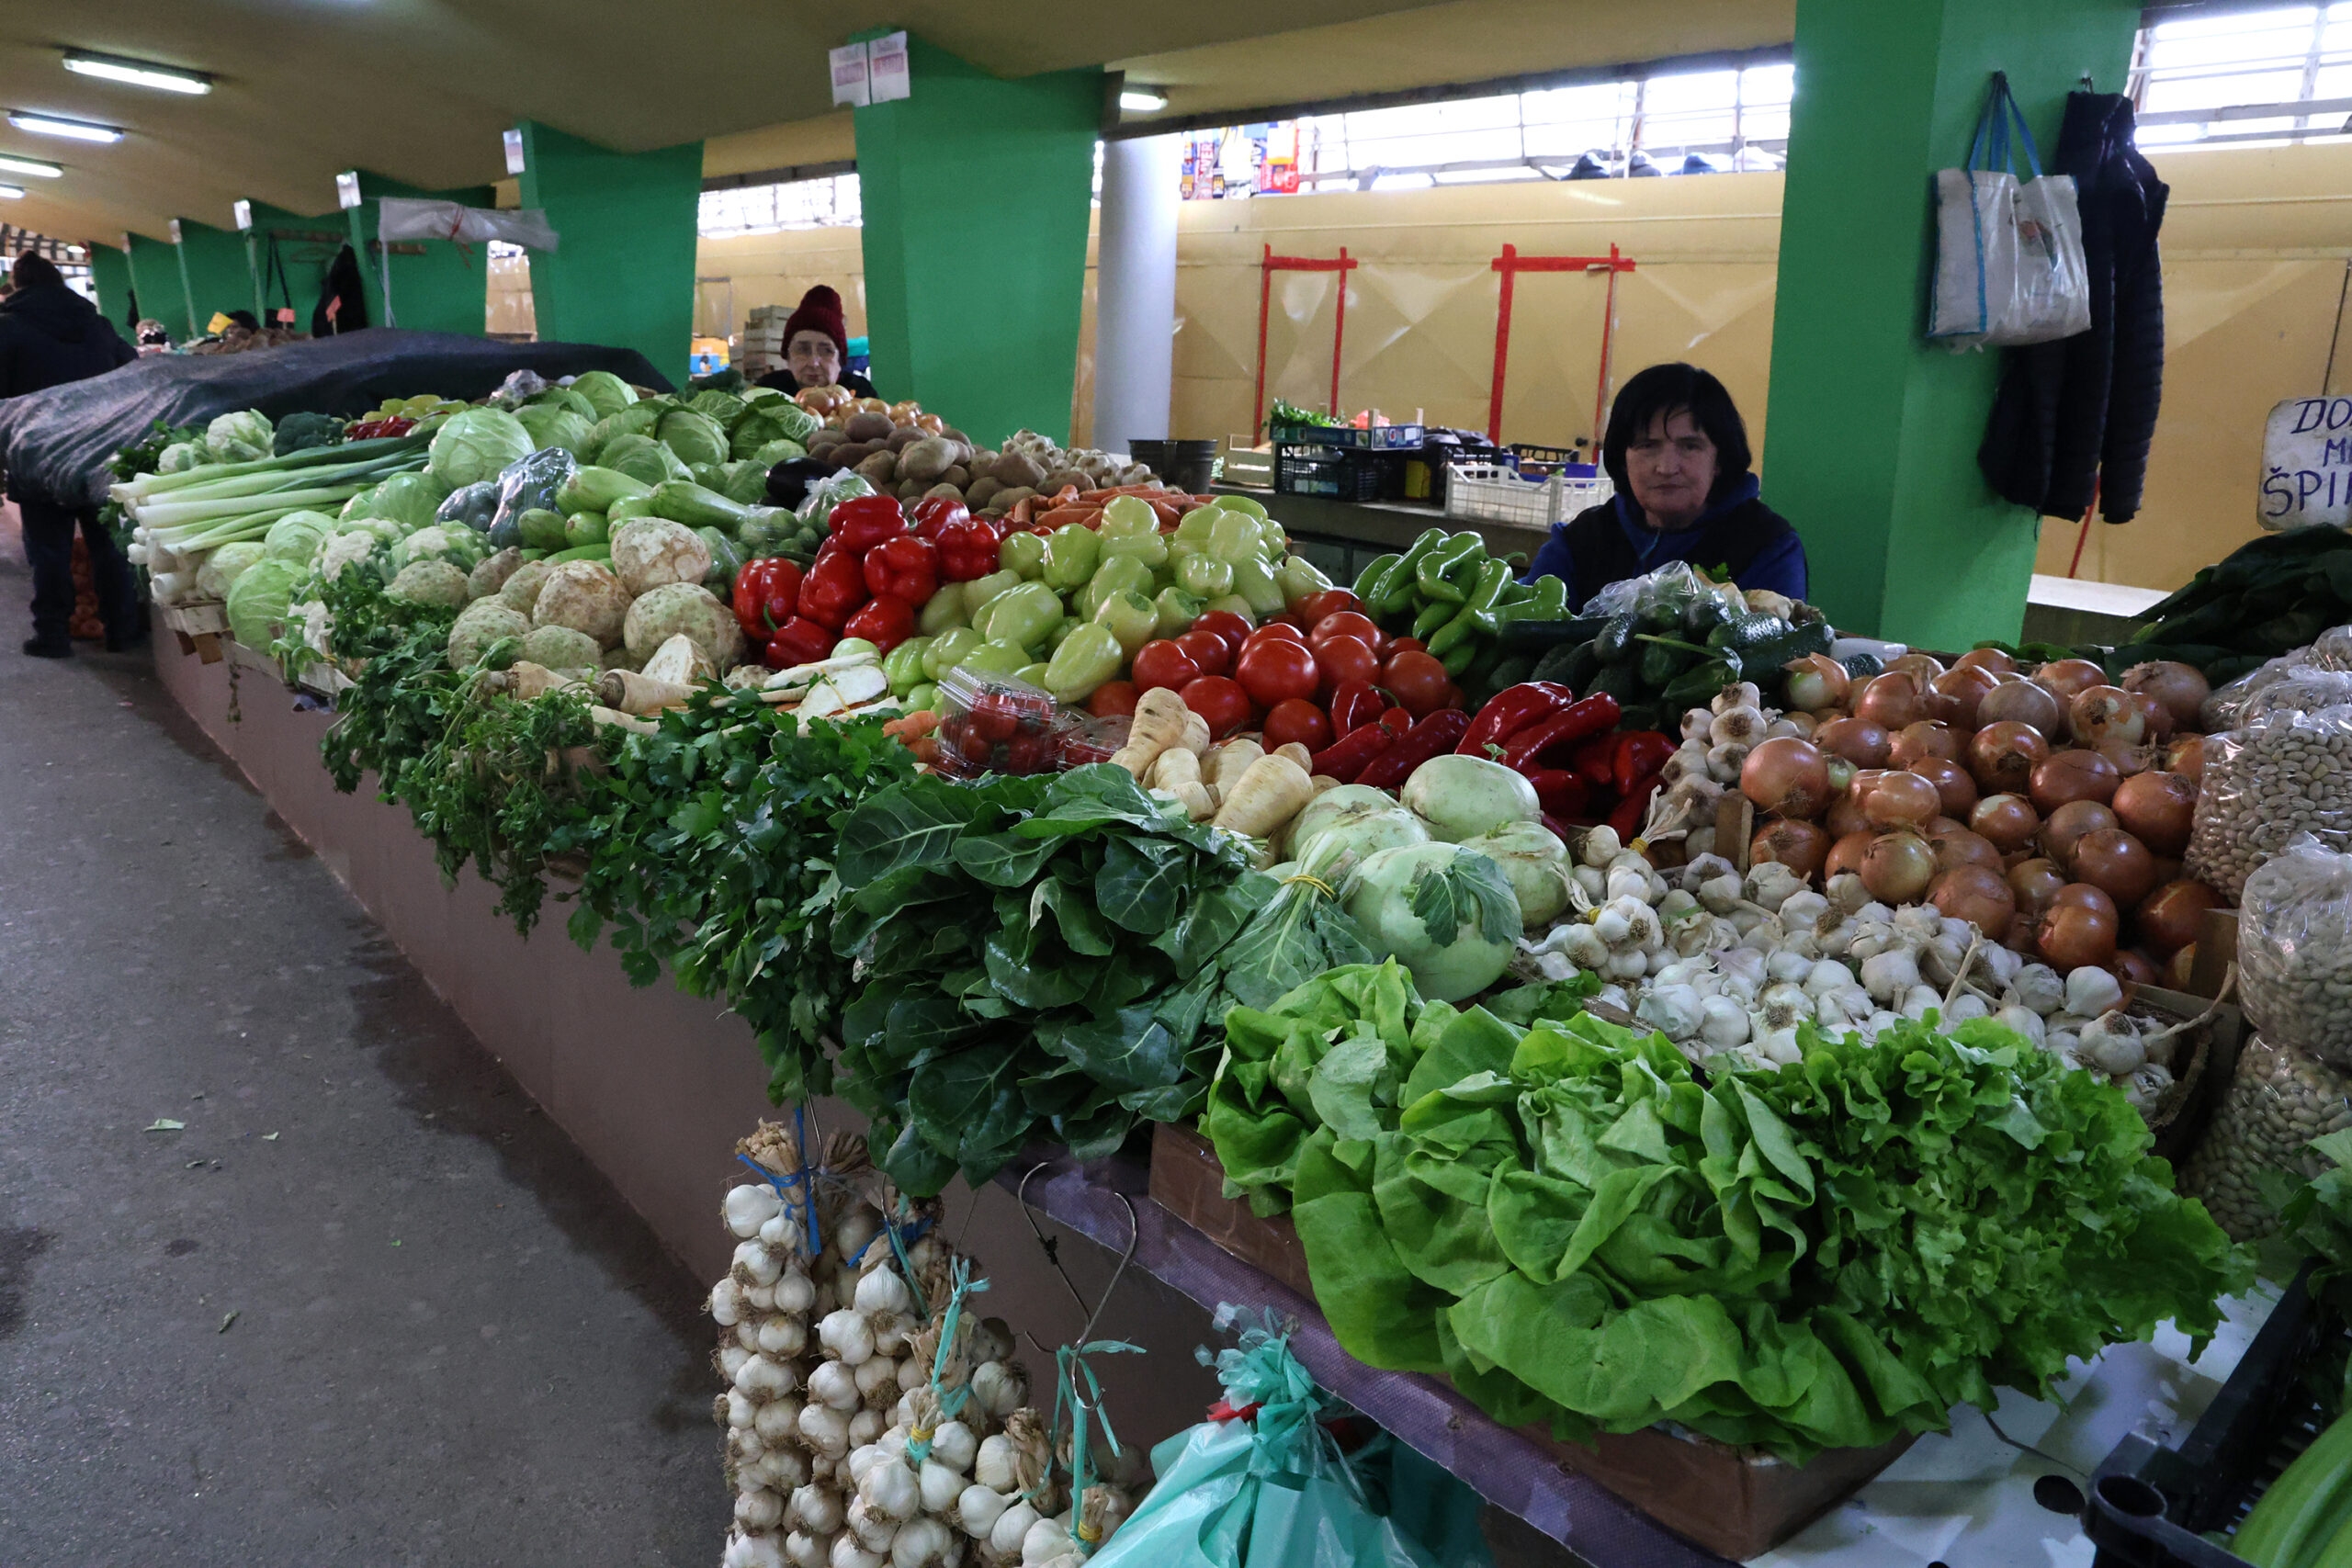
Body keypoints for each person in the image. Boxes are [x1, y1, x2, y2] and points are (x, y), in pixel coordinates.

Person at [1523, 361, 1806, 611]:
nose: (1667, 467)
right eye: (1647, 445)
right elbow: (1523, 624)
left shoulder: (1768, 547)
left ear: (1720, 459)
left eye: (1689, 446)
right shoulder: (1581, 540)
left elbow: (1776, 645)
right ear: (1623, 459)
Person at [0, 253, 140, 657]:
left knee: (48, 550)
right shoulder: (97, 325)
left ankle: (53, 635)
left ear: (19, 285)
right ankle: (122, 630)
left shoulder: (8, 328)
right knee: (108, 544)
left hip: (37, 451)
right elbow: (132, 370)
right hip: (99, 448)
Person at [754, 285, 876, 399]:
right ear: (788, 357)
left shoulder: (861, 394)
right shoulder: (767, 391)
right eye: (803, 350)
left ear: (840, 360)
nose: (813, 363)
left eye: (827, 351)